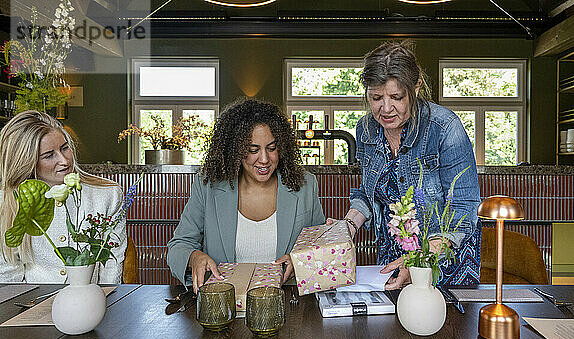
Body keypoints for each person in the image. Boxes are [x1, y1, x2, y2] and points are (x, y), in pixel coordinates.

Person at [340, 41, 481, 289]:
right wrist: (348, 226)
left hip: (443, 262)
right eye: (375, 97)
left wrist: (419, 260)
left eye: (396, 97)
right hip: (393, 260)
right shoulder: (366, 129)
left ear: (415, 87)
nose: (385, 108)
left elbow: (463, 206)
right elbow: (369, 191)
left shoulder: (444, 128)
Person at [167, 98, 325, 293]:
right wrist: (193, 257)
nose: (265, 159)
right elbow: (178, 246)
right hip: (225, 307)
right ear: (234, 150)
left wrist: (300, 260)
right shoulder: (208, 185)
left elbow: (320, 248)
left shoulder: (305, 185)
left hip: (288, 303)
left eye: (272, 148)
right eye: (253, 150)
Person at [0, 110, 125, 283]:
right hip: (31, 304)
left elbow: (112, 264)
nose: (65, 160)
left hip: (90, 302)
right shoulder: (8, 202)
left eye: (65, 148)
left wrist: (105, 300)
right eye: (49, 155)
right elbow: (8, 275)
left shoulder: (108, 194)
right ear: (26, 163)